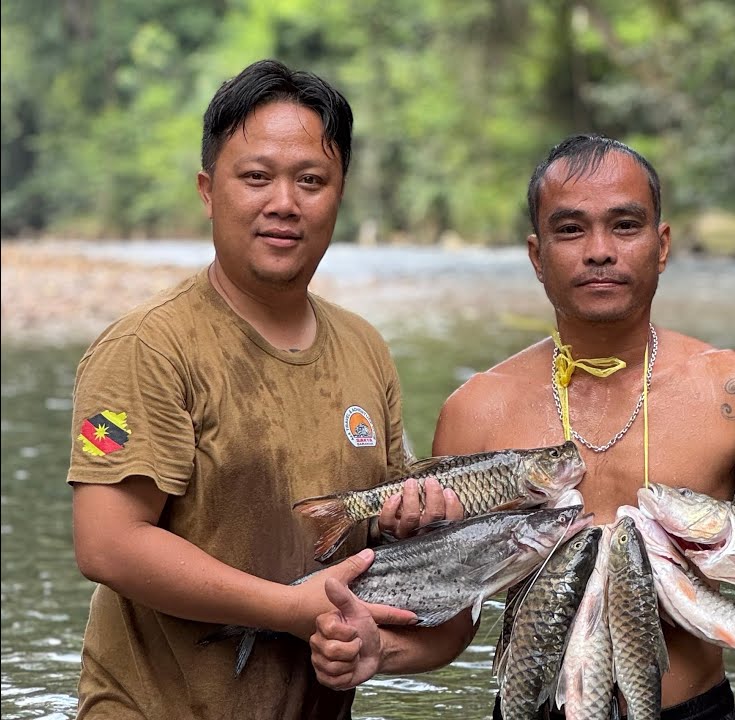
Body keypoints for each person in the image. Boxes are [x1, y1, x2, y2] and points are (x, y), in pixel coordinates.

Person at [308, 133, 735, 716]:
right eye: (571, 230)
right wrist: (377, 652)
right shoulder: (477, 410)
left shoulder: (733, 389)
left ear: (662, 243)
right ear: (537, 256)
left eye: (624, 225)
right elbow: (452, 623)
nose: (599, 251)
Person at [67, 59, 470, 719]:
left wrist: (418, 526)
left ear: (339, 194)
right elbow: (107, 542)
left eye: (311, 181)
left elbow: (373, 548)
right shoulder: (144, 349)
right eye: (256, 177)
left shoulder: (364, 348)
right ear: (208, 190)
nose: (284, 203)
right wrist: (289, 610)